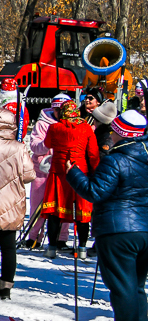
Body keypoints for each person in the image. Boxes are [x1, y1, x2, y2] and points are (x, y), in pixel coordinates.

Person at [67, 110, 148, 321]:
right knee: (136, 286)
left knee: (122, 287)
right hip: (143, 228)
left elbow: (95, 192)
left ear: (122, 134)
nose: (110, 134)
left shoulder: (115, 160)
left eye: (114, 130)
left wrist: (73, 173)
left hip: (117, 229)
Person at [0, 103, 35, 300]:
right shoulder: (19, 147)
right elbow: (30, 175)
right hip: (11, 201)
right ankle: (6, 286)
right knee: (8, 247)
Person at [41, 100, 100, 259]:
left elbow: (47, 143)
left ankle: (52, 248)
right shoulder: (86, 128)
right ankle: (82, 248)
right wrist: (95, 172)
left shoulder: (55, 127)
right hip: (80, 171)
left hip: (59, 173)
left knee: (54, 211)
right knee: (81, 212)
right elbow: (93, 153)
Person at [26, 93, 69, 248]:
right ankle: (34, 236)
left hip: (63, 170)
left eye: (62, 110)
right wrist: (48, 143)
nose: (59, 113)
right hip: (43, 170)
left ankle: (61, 238)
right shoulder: (43, 123)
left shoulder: (72, 124)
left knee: (63, 206)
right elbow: (34, 145)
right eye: (57, 109)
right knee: (38, 204)